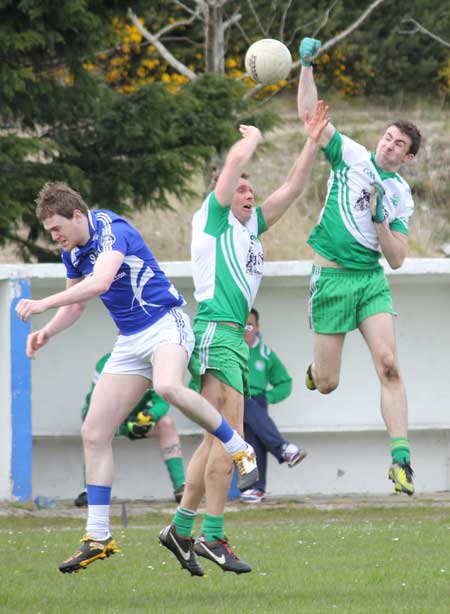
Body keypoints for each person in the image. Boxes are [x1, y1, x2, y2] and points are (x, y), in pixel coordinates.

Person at [15, 182, 261, 574]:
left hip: (166, 324)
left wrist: (42, 304)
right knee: (94, 432)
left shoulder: (112, 228)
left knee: (167, 385)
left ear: (78, 216)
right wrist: (49, 331)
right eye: (50, 232)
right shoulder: (73, 251)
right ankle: (98, 536)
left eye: (57, 228)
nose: (54, 237)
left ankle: (238, 446)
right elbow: (78, 302)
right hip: (131, 341)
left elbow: (102, 282)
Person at [159, 104, 330, 576]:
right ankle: (211, 535)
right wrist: (252, 139)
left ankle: (181, 527)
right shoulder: (211, 220)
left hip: (232, 338)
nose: (249, 191)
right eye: (241, 188)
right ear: (222, 195)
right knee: (228, 440)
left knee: (214, 440)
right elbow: (231, 167)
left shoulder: (249, 225)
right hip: (217, 333)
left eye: (251, 188)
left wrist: (313, 141)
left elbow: (293, 189)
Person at [297, 37, 422, 496]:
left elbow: (397, 258)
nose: (389, 146)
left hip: (370, 281)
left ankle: (401, 460)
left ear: (407, 158)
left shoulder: (401, 195)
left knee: (389, 365)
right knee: (327, 384)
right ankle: (315, 371)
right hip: (331, 279)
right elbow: (311, 120)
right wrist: (307, 67)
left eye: (399, 145)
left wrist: (380, 218)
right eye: (388, 137)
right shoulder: (349, 155)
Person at [74, 352, 186, 507]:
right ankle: (89, 490)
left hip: (135, 419)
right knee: (94, 433)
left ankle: (181, 487)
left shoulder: (153, 365)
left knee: (166, 424)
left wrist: (149, 416)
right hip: (106, 418)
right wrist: (122, 424)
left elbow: (162, 403)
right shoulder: (105, 363)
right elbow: (94, 406)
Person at [240, 308, 307, 503]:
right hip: (231, 399)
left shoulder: (266, 354)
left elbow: (285, 382)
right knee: (248, 405)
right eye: (241, 325)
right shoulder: (228, 350)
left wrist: (269, 397)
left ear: (257, 327)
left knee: (254, 431)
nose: (245, 329)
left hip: (257, 401)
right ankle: (283, 448)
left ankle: (254, 488)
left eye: (250, 325)